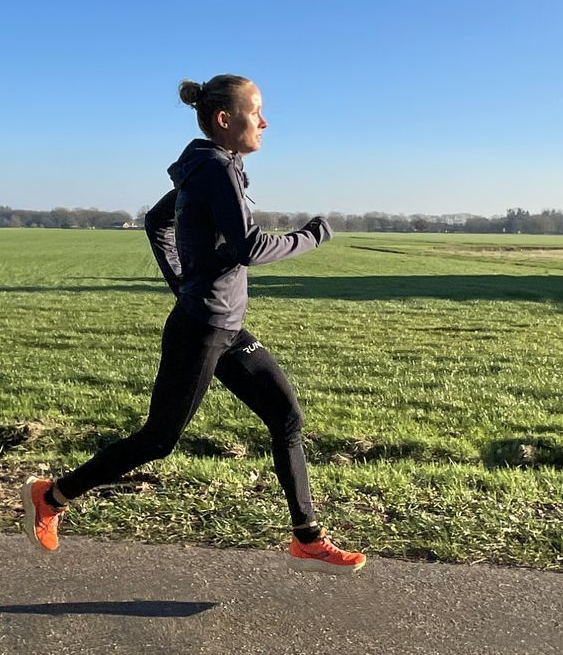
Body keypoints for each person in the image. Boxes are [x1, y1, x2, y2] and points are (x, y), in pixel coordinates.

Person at [20, 74, 365, 574]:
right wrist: (312, 236)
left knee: (286, 417)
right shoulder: (216, 168)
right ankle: (50, 497)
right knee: (158, 440)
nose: (266, 122)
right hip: (200, 330)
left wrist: (183, 281)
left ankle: (306, 538)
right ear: (226, 119)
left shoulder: (205, 169)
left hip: (227, 329)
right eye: (258, 111)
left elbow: (156, 223)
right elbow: (249, 247)